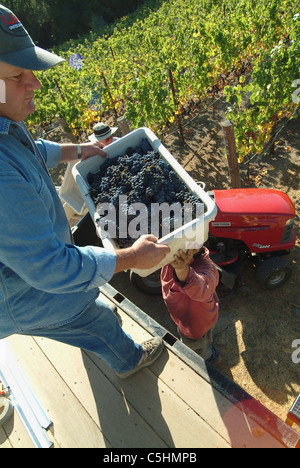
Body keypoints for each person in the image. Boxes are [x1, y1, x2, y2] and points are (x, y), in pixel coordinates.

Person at [0, 4, 170, 379]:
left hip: (24, 273)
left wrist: (79, 151)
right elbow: (51, 269)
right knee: (91, 317)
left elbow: (29, 148)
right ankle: (129, 361)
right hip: (19, 292)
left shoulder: (4, 124)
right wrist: (131, 257)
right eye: (17, 75)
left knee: (83, 308)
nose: (35, 84)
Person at [161, 247, 220, 365]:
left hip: (195, 328)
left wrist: (181, 268)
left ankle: (209, 359)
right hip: (188, 318)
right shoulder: (171, 259)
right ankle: (208, 346)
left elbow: (200, 288)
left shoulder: (206, 269)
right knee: (205, 338)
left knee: (199, 348)